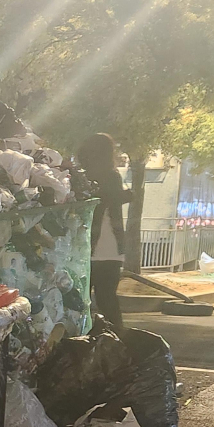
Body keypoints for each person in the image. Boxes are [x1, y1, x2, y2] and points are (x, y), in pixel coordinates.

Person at [77, 133, 131, 328]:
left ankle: (86, 340)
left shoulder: (84, 177)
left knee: (81, 300)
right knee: (107, 299)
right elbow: (113, 200)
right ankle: (117, 342)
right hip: (109, 247)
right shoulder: (112, 175)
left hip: (90, 245)